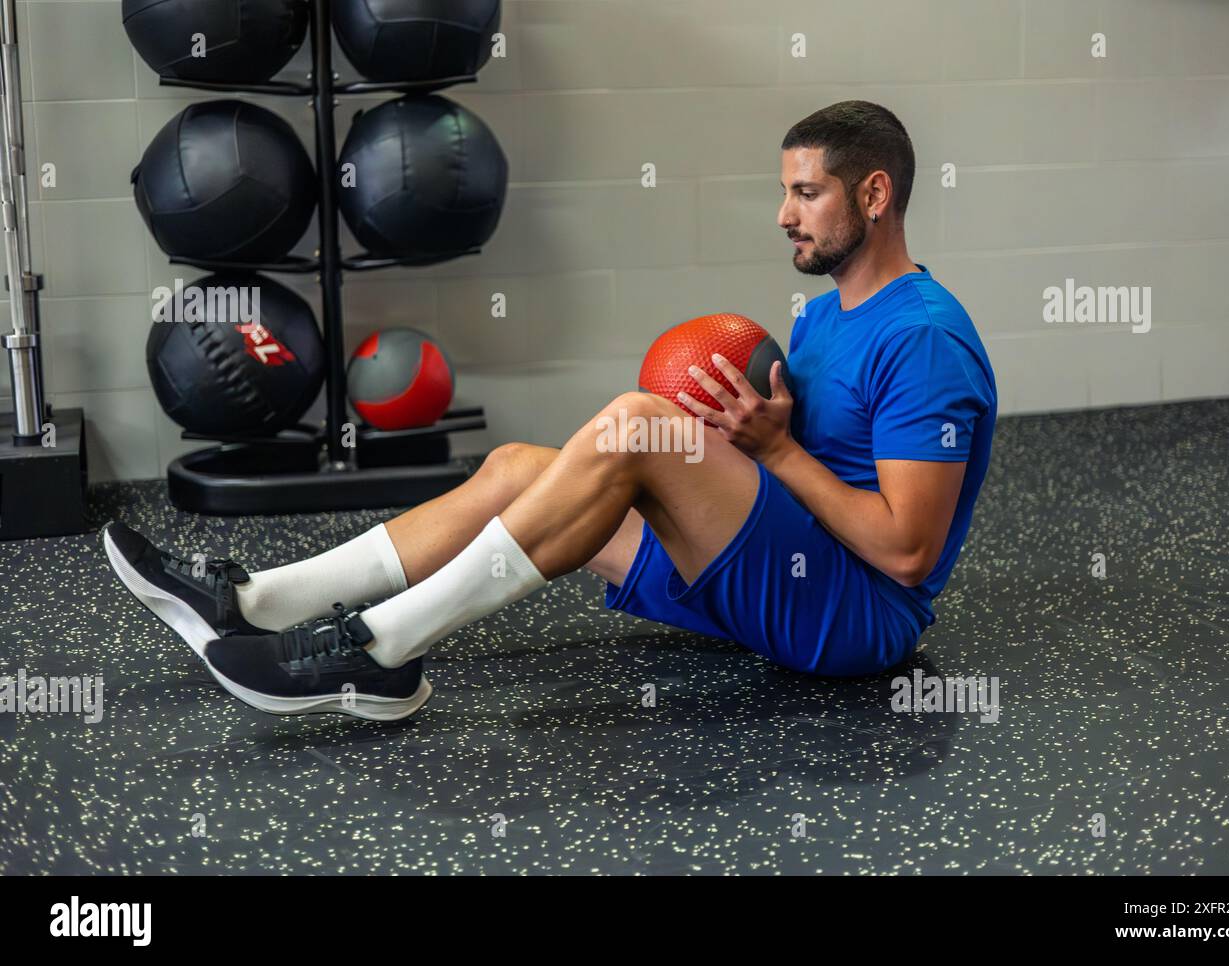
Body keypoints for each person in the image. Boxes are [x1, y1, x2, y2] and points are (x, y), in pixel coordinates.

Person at [103, 101, 997, 721]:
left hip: (852, 620)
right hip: (797, 563)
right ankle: (258, 603)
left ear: (874, 195)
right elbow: (807, 459)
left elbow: (906, 552)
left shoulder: (922, 339)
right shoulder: (827, 315)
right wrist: (741, 445)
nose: (783, 215)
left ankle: (377, 652)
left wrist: (775, 454)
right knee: (516, 470)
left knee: (634, 426)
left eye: (807, 193)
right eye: (785, 191)